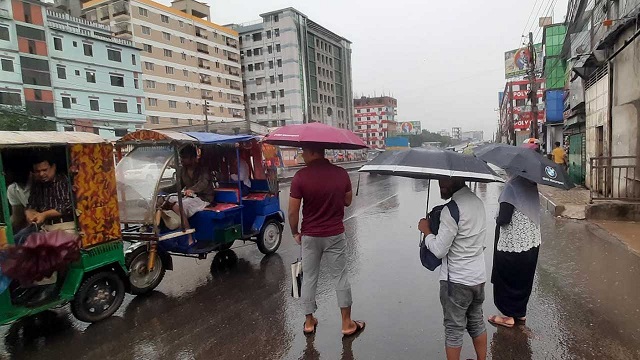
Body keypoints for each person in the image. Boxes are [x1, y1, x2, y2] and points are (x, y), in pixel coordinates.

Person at [288, 145, 365, 337]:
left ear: (313, 152)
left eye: (304, 152)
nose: (302, 155)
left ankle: (308, 321)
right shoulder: (340, 174)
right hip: (334, 235)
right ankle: (347, 323)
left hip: (310, 236)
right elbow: (347, 201)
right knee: (340, 277)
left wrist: (295, 232)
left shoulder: (301, 177)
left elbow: (292, 211)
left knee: (310, 278)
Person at [418, 178, 487, 360]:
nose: (440, 186)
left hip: (456, 281)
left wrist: (427, 232)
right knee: (477, 322)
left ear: (455, 181)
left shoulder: (451, 210)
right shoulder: (477, 202)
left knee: (454, 329)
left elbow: (440, 250)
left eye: (444, 182)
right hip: (478, 277)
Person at [489, 176, 541, 328]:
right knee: (524, 277)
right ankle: (520, 312)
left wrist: (497, 217)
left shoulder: (511, 187)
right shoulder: (531, 184)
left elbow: (504, 218)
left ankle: (508, 316)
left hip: (513, 244)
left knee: (506, 277)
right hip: (531, 242)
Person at [14, 154, 73, 245]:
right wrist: (29, 212)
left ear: (53, 167)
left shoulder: (62, 180)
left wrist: (44, 214)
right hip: (44, 226)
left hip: (64, 226)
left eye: (45, 170)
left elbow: (67, 206)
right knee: (17, 239)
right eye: (37, 171)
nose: (41, 174)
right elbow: (31, 204)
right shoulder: (37, 184)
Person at [163, 146, 214, 245]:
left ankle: (189, 236)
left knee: (178, 207)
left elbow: (203, 183)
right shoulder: (183, 171)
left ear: (193, 158)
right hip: (189, 197)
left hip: (203, 198)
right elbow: (177, 186)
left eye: (184, 157)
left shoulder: (203, 169)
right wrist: (161, 190)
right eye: (181, 157)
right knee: (163, 201)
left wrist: (192, 190)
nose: (182, 160)